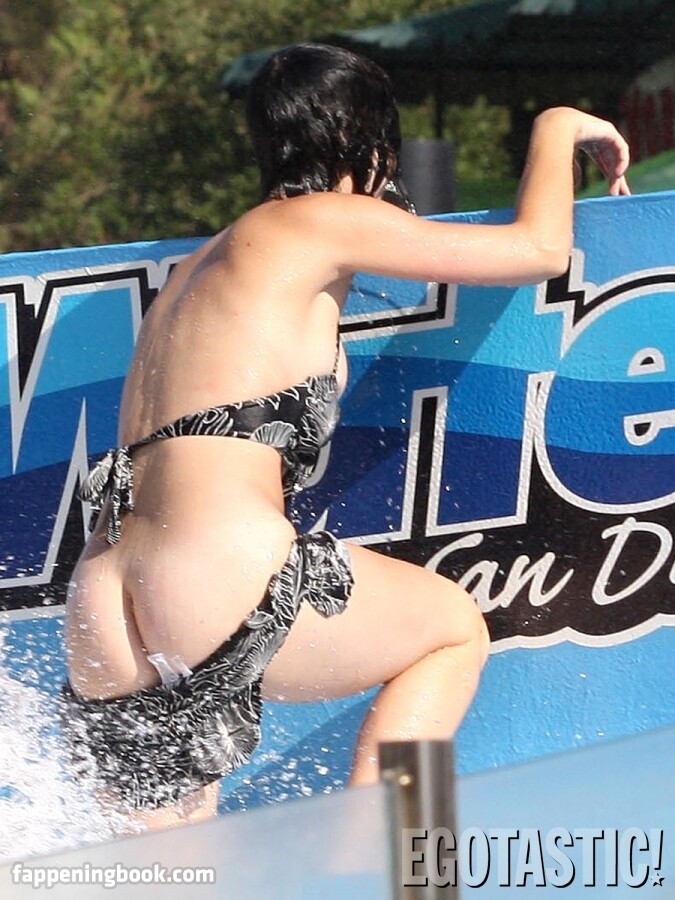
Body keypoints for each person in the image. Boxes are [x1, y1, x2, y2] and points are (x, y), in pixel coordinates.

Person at [61, 43, 630, 832]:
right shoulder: (317, 220)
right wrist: (556, 125)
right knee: (450, 630)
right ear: (357, 139)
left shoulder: (195, 267)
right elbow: (537, 251)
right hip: (214, 577)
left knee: (165, 877)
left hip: (105, 596)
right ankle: (401, 869)